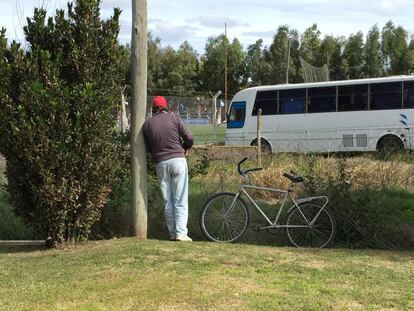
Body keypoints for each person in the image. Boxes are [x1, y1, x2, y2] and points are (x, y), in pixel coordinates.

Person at [143, 96, 194, 241]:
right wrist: (185, 147)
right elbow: (189, 137)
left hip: (160, 163)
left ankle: (172, 233)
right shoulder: (174, 118)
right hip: (178, 160)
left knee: (168, 201)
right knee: (180, 199)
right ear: (165, 106)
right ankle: (181, 233)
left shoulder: (147, 124)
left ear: (153, 108)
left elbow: (148, 147)